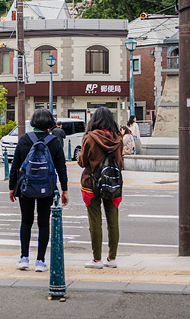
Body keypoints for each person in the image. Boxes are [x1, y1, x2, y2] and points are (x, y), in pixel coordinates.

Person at [9, 108, 68, 272]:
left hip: (26, 187)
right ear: (50, 124)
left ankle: (24, 258)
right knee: (43, 223)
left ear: (34, 122)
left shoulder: (24, 139)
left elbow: (15, 166)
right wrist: (64, 189)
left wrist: (12, 188)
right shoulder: (54, 141)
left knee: (26, 221)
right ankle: (40, 261)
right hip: (47, 188)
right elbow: (61, 167)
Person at [77, 107, 123, 269]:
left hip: (92, 183)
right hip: (112, 183)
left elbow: (82, 162)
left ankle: (96, 259)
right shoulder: (118, 138)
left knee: (95, 221)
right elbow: (120, 163)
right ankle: (112, 258)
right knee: (113, 220)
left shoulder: (89, 138)